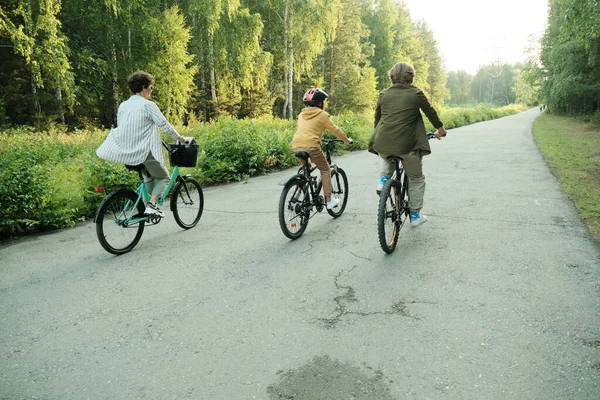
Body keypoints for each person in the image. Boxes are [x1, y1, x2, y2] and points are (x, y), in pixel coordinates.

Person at [96, 70, 190, 218]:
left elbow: (127, 127)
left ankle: (147, 207)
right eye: (151, 87)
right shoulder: (148, 105)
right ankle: (152, 206)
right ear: (145, 87)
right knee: (164, 177)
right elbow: (165, 126)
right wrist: (181, 139)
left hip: (125, 150)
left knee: (149, 176)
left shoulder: (123, 105)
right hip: (141, 151)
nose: (151, 91)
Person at [368, 62, 446, 227]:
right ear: (410, 76)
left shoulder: (384, 94)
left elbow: (377, 117)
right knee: (416, 178)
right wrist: (440, 129)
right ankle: (415, 215)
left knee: (388, 155)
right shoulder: (416, 93)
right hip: (408, 145)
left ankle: (383, 180)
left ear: (392, 76)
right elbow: (430, 112)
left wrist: (381, 133)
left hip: (384, 140)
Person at [291, 88, 353, 210]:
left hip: (297, 145)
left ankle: (297, 193)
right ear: (320, 103)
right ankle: (329, 201)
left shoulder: (301, 115)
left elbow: (303, 130)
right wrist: (346, 140)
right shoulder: (322, 115)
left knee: (306, 168)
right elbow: (335, 129)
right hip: (312, 146)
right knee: (325, 170)